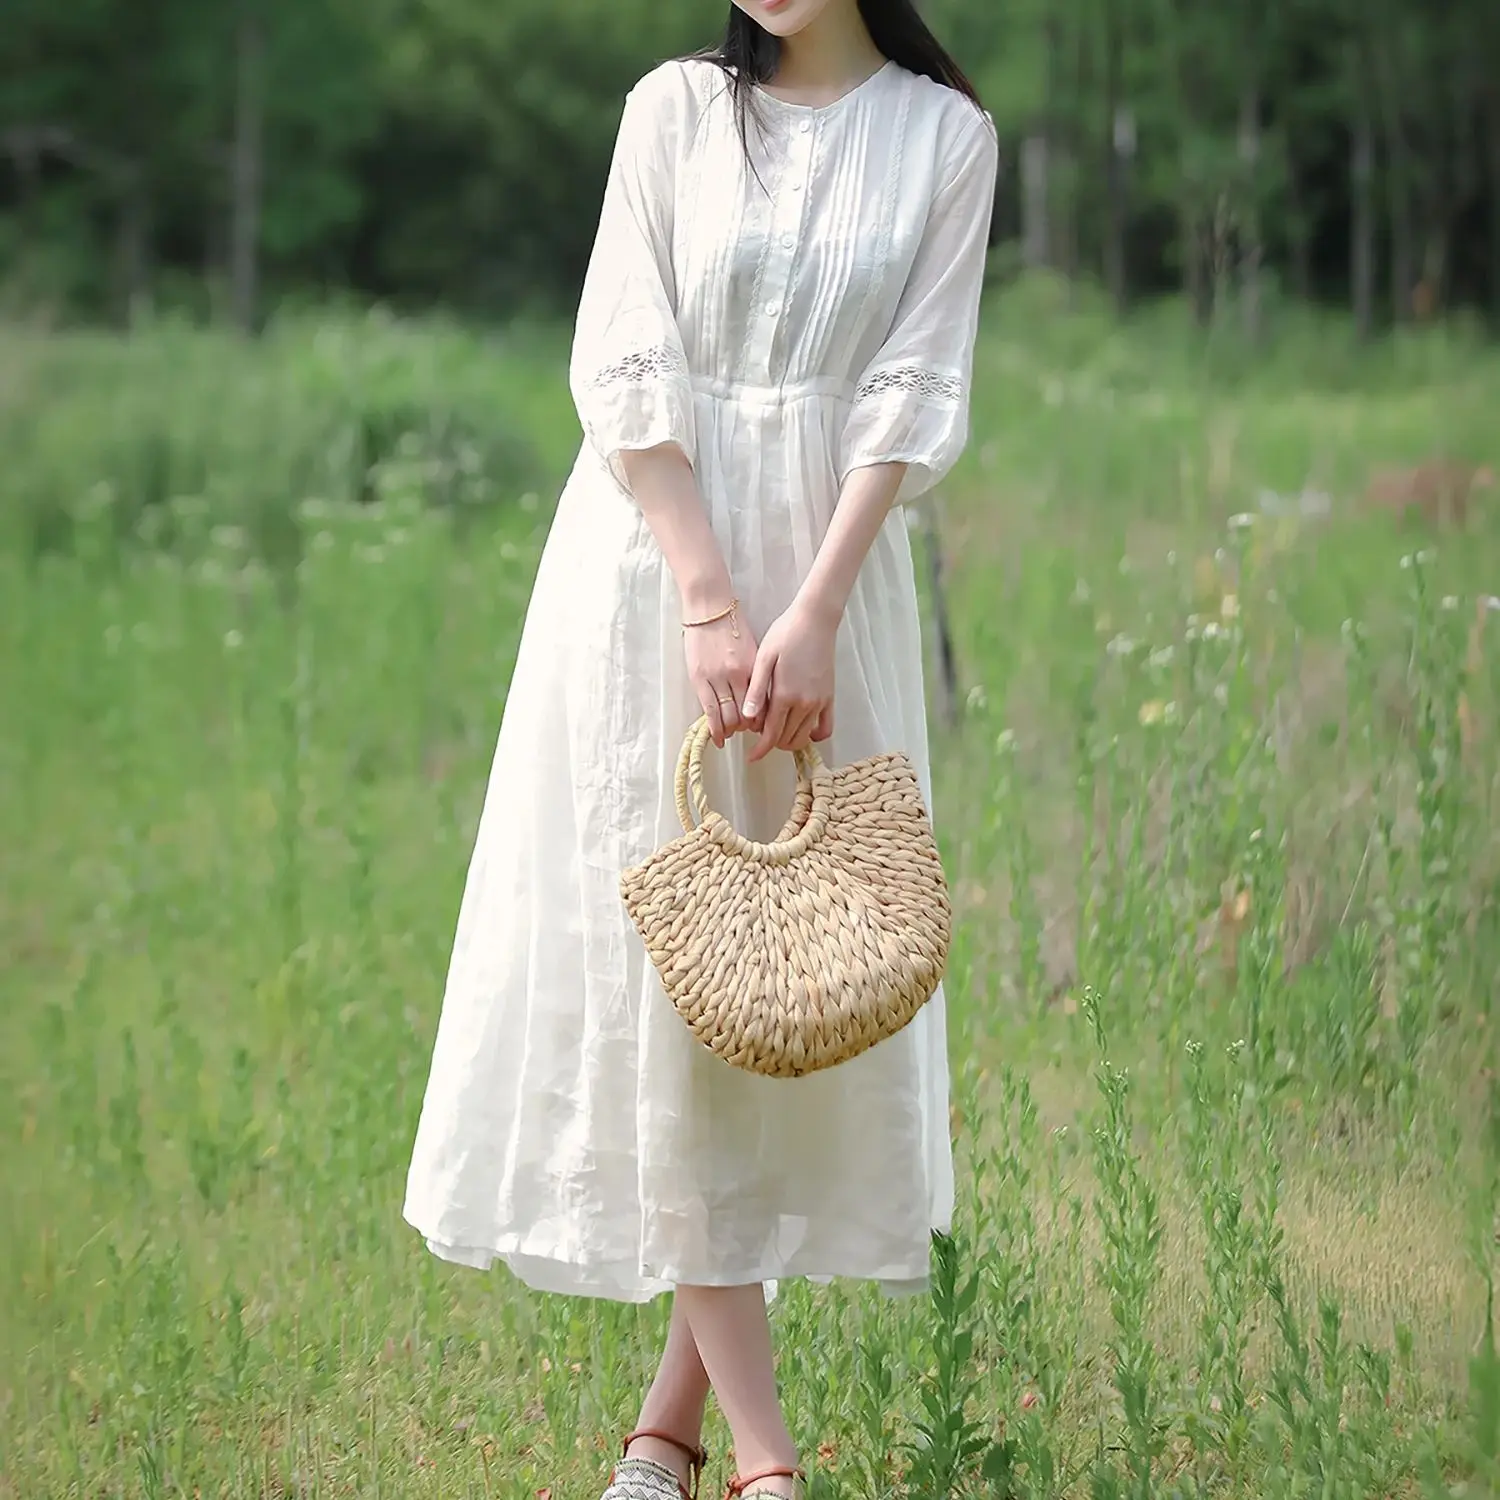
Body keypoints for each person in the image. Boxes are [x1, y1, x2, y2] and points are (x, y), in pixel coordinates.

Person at [402, 0, 997, 1495]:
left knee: (772, 990)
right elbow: (624, 355)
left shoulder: (946, 138)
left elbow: (915, 389)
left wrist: (815, 608)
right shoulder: (673, 108)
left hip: (829, 589)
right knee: (672, 987)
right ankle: (764, 1462)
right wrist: (708, 595)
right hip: (651, 575)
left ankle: (663, 1442)